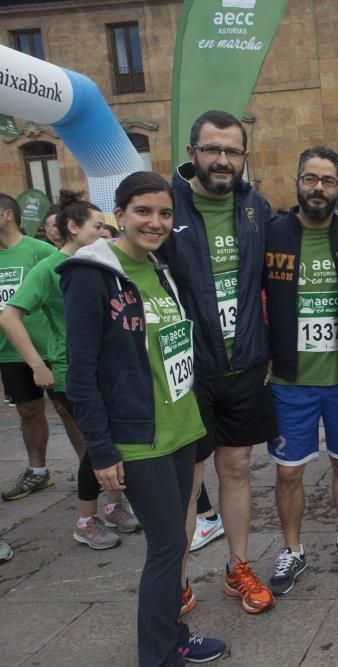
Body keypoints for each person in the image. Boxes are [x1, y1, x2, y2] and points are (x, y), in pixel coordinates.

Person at [60, 171, 225, 664]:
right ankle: (158, 654)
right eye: (143, 211)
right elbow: (80, 373)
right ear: (120, 215)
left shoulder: (159, 267)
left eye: (165, 213)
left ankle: (172, 632)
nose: (155, 222)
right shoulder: (92, 277)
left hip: (179, 429)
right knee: (168, 546)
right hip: (139, 439)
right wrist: (101, 450)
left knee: (176, 540)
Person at [160, 110, 278, 616]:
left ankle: (238, 567)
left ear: (244, 157)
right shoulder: (167, 208)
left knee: (237, 468)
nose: (222, 160)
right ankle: (178, 581)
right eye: (212, 149)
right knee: (187, 482)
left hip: (246, 363)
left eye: (232, 151)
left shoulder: (256, 207)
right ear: (193, 153)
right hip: (189, 369)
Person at [0, 190, 139, 548]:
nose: (104, 231)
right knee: (96, 446)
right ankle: (85, 519)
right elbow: (10, 316)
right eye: (97, 225)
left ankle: (113, 508)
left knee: (108, 443)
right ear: (74, 227)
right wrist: (36, 365)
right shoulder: (50, 268)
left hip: (107, 370)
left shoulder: (104, 261)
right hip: (70, 371)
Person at [264, 146, 338, 594]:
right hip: (292, 379)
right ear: (297, 181)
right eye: (311, 178)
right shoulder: (272, 235)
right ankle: (292, 549)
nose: (318, 188)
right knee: (288, 471)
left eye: (328, 181)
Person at [0, 193, 60, 501]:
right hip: (10, 352)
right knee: (27, 410)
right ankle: (38, 472)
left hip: (50, 348)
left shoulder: (40, 250)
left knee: (71, 412)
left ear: (8, 214)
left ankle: (98, 474)